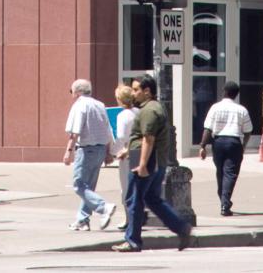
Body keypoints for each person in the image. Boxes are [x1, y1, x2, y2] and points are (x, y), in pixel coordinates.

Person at [114, 78, 191, 253]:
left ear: (147, 91)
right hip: (153, 159)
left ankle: (132, 240)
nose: (133, 94)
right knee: (152, 199)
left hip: (146, 160)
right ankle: (181, 227)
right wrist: (128, 151)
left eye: (136, 90)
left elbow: (148, 138)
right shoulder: (153, 108)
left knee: (134, 199)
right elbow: (143, 138)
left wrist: (141, 165)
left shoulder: (149, 110)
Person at [62, 77, 113, 231]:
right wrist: (108, 152)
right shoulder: (100, 105)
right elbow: (108, 129)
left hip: (85, 149)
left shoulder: (79, 106)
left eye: (71, 91)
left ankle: (104, 207)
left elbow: (75, 132)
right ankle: (82, 220)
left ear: (77, 92)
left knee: (78, 185)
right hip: (100, 148)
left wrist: (68, 151)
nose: (71, 94)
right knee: (88, 186)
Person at [200, 78, 254, 217]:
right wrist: (243, 145)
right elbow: (248, 130)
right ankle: (225, 203)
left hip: (218, 143)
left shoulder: (215, 108)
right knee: (230, 173)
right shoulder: (241, 110)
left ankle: (224, 200)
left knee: (220, 172)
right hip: (234, 142)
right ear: (236, 94)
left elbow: (208, 128)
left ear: (224, 91)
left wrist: (203, 146)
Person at [107, 79, 140, 231]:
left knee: (126, 188)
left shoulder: (122, 116)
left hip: (126, 154)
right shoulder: (138, 112)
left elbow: (120, 137)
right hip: (140, 152)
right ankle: (136, 217)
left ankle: (129, 219)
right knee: (139, 186)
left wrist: (114, 152)